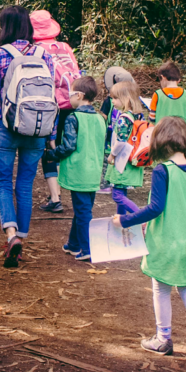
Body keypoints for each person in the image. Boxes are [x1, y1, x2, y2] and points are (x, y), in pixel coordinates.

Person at [112, 117, 186, 359]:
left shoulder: (162, 170)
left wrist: (125, 220)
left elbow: (156, 207)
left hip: (168, 241)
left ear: (159, 141)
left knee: (161, 288)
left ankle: (163, 338)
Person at [0, 5, 56, 268]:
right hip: (37, 128)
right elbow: (50, 96)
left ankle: (10, 235)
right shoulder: (45, 55)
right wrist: (51, 133)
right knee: (25, 185)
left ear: (5, 26)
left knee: (2, 183)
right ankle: (22, 236)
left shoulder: (0, 55)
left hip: (5, 128)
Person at [44, 76, 105, 262]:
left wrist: (51, 154)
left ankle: (87, 249)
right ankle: (73, 244)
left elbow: (68, 146)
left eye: (69, 94)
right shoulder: (101, 118)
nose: (67, 98)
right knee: (83, 208)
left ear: (79, 95)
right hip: (94, 172)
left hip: (79, 172)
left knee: (83, 211)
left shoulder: (73, 118)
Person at [31, 9, 81, 214]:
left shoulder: (35, 50)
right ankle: (68, 190)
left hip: (51, 105)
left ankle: (55, 197)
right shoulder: (65, 47)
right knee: (64, 146)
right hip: (73, 102)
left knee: (49, 151)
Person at [104, 80, 147, 214]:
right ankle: (121, 219)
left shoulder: (124, 118)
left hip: (122, 161)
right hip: (131, 159)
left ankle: (140, 217)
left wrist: (112, 155)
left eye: (115, 98)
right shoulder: (137, 115)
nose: (112, 101)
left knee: (117, 195)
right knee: (122, 192)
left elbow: (121, 141)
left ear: (126, 99)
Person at [148, 61, 186, 128]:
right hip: (183, 135)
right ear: (179, 80)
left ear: (162, 77)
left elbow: (152, 118)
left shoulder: (157, 94)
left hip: (162, 134)